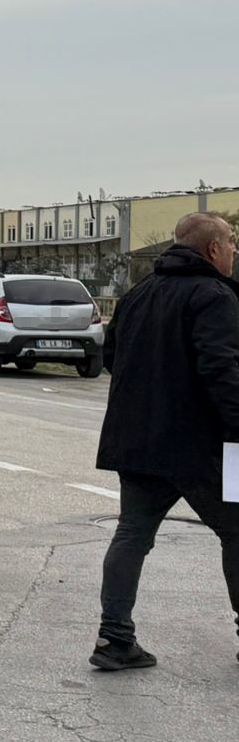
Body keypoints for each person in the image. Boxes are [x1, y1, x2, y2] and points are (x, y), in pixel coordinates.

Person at [90, 211, 239, 671]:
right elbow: (222, 370)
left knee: (132, 533)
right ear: (212, 249)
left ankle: (114, 639)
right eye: (231, 241)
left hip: (138, 440)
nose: (235, 249)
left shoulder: (138, 294)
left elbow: (111, 354)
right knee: (236, 532)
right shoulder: (215, 296)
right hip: (204, 445)